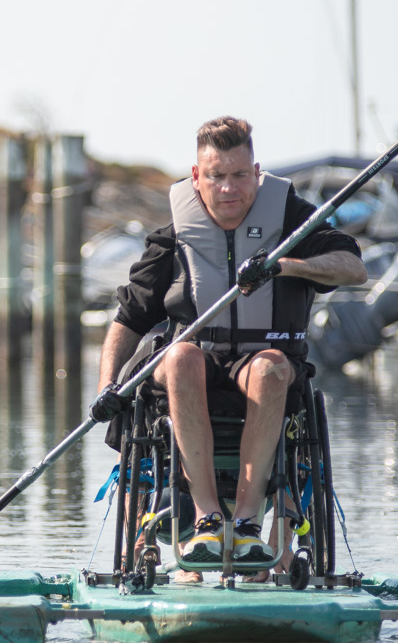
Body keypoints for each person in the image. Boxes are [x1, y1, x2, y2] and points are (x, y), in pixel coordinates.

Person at [89, 116, 366, 575]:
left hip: (266, 366)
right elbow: (127, 320)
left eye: (239, 175)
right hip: (190, 369)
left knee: (272, 367)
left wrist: (283, 267)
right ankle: (206, 518)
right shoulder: (173, 237)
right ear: (197, 177)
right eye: (216, 176)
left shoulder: (294, 220)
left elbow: (353, 269)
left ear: (256, 173)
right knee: (179, 355)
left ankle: (247, 524)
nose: (228, 188)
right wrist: (105, 388)